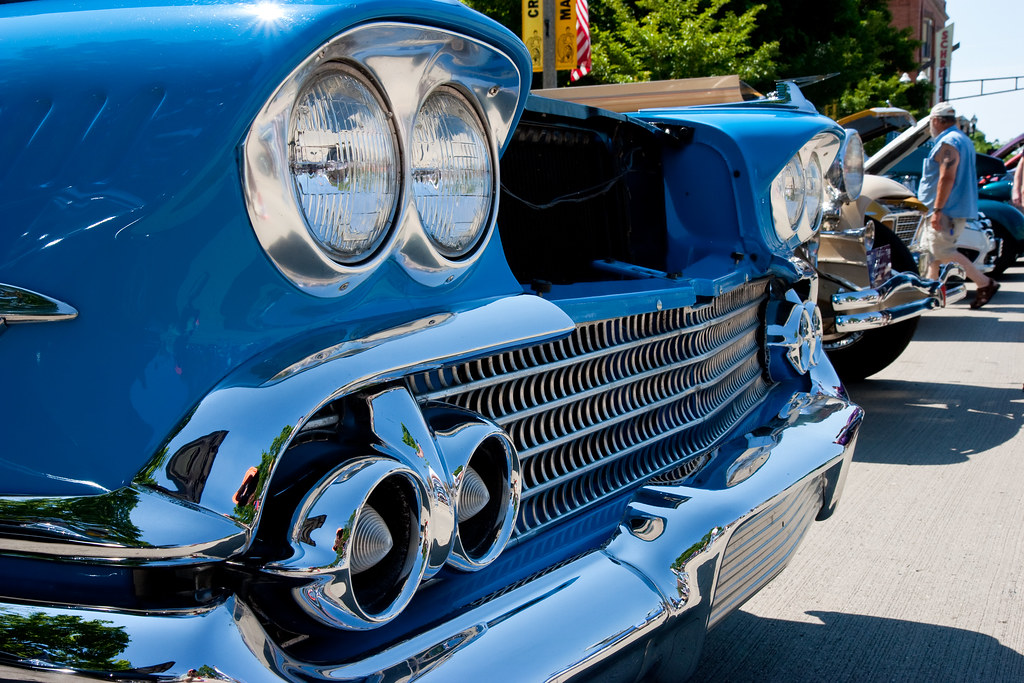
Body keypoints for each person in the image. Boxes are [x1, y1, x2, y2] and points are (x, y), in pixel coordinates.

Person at [918, 102, 1000, 309]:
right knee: (932, 252)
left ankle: (984, 282)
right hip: (951, 208)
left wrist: (937, 210)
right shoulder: (962, 139)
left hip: (946, 210)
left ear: (936, 120)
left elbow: (946, 178)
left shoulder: (949, 142)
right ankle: (931, 293)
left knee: (942, 251)